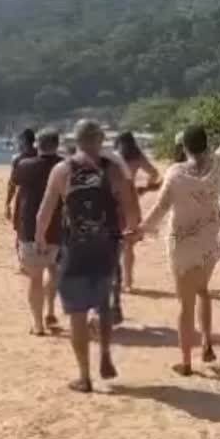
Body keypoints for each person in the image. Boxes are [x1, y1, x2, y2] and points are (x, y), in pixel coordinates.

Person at [137, 98, 220, 375]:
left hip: (182, 244)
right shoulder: (217, 165)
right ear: (205, 144)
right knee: (203, 292)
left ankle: (186, 362)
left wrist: (141, 229)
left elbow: (161, 208)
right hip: (210, 242)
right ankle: (207, 344)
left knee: (185, 305)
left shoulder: (175, 174)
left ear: (184, 146)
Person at [35, 118, 138, 393]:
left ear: (76, 140)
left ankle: (84, 376)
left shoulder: (62, 169)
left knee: (77, 313)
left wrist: (40, 238)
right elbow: (131, 211)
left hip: (75, 249)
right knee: (103, 304)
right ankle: (104, 353)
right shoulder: (113, 169)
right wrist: (132, 232)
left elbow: (45, 211)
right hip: (106, 247)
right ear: (101, 140)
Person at [14, 128, 62, 335]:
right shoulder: (65, 167)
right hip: (57, 228)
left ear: (37, 145)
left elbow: (18, 191)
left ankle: (38, 324)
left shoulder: (24, 165)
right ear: (57, 145)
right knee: (53, 271)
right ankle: (51, 310)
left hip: (30, 229)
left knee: (35, 278)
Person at [114, 131, 161, 295]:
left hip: (114, 202)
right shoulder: (138, 157)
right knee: (128, 245)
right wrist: (145, 188)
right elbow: (154, 173)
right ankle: (128, 282)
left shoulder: (113, 158)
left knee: (113, 244)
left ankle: (116, 281)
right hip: (131, 201)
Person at [5, 128, 37, 267]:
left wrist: (7, 203)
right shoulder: (40, 154)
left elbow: (12, 184)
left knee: (20, 229)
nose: (17, 143)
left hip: (24, 198)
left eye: (19, 140)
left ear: (23, 141)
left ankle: (23, 262)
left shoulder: (18, 159)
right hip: (42, 196)